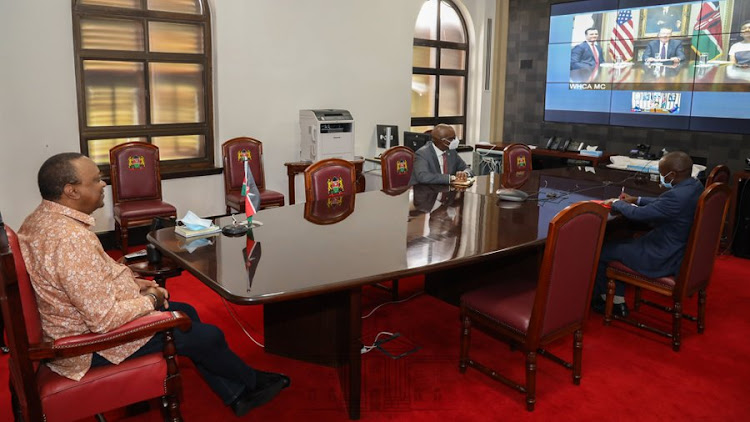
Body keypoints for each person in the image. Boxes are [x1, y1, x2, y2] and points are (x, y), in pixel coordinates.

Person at [18, 153, 289, 417]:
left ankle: (237, 394)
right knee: (207, 335)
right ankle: (253, 382)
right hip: (87, 345)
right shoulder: (71, 239)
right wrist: (152, 301)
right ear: (71, 191)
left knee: (188, 313)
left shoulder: (39, 220)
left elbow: (85, 280)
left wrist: (134, 285)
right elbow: (103, 320)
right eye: (95, 180)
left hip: (70, 323)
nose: (103, 185)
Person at [591, 151, 703, 317]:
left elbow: (639, 215)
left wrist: (616, 203)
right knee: (621, 242)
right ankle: (617, 298)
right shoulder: (694, 187)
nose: (661, 177)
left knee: (602, 250)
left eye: (662, 173)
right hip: (677, 249)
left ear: (672, 174)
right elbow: (665, 204)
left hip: (662, 256)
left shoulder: (677, 196)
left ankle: (612, 303)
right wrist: (636, 200)